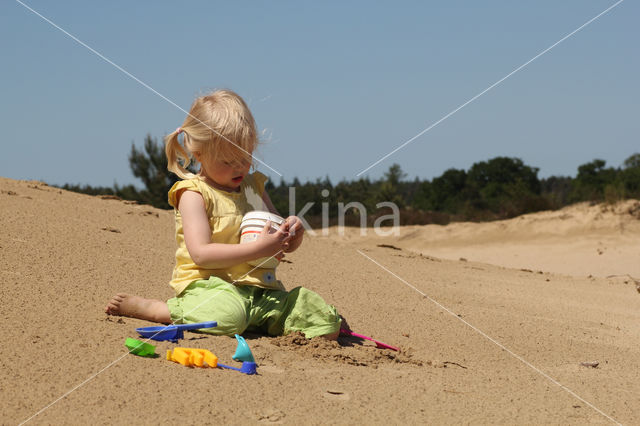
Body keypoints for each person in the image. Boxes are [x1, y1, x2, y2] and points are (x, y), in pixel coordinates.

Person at [105, 89, 341, 339]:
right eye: (228, 161)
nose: (240, 167)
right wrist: (260, 249)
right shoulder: (193, 193)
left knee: (320, 318)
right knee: (229, 317)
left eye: (245, 157)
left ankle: (259, 319)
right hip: (211, 289)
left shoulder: (254, 186)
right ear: (199, 155)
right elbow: (201, 254)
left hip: (261, 292)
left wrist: (292, 232)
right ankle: (160, 310)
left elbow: (277, 239)